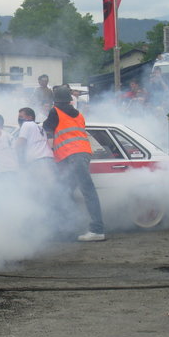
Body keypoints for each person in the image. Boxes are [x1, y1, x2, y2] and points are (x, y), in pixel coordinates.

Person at [43, 85, 105, 242]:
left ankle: (97, 230)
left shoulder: (55, 111)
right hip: (81, 153)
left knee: (87, 191)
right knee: (64, 191)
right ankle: (66, 227)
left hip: (73, 156)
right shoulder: (79, 115)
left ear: (56, 101)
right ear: (70, 100)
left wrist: (50, 143)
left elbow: (47, 127)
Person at [15, 107, 55, 175]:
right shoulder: (40, 127)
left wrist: (20, 162)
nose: (19, 119)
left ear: (30, 117)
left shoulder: (26, 124)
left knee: (37, 184)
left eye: (21, 116)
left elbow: (20, 144)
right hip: (49, 159)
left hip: (38, 161)